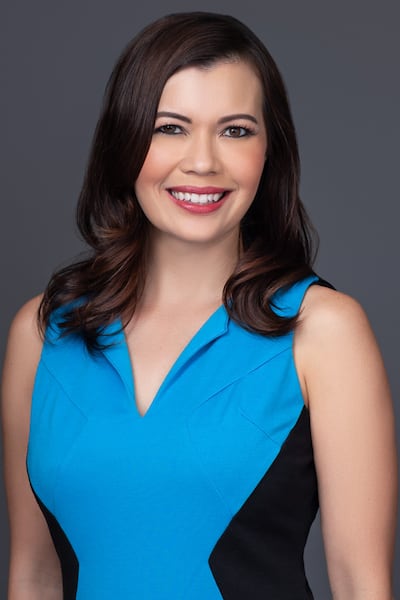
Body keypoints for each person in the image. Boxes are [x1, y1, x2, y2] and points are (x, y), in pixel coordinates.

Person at [1, 11, 397, 600]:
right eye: (170, 127)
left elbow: (361, 583)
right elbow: (33, 575)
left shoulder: (324, 331)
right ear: (126, 140)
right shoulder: (42, 333)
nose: (203, 161)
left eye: (236, 130)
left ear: (271, 150)